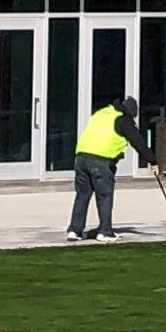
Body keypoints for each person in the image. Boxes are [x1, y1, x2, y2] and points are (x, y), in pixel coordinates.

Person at [68, 93, 133, 240]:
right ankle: (105, 231)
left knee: (82, 195)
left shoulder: (101, 113)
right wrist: (153, 161)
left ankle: (75, 230)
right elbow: (138, 142)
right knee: (104, 195)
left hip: (81, 157)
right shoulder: (123, 120)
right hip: (100, 161)